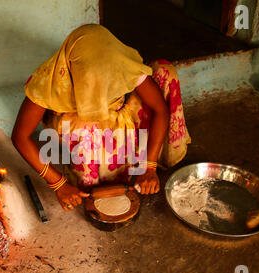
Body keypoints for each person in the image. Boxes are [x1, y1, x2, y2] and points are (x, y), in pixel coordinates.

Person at [11, 24, 190, 211]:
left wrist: (150, 166)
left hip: (118, 114)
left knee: (164, 72)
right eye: (91, 80)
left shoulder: (120, 65)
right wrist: (58, 183)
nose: (99, 89)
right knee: (86, 137)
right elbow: (20, 137)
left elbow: (160, 110)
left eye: (105, 78)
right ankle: (98, 170)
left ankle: (136, 163)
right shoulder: (49, 81)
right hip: (79, 123)